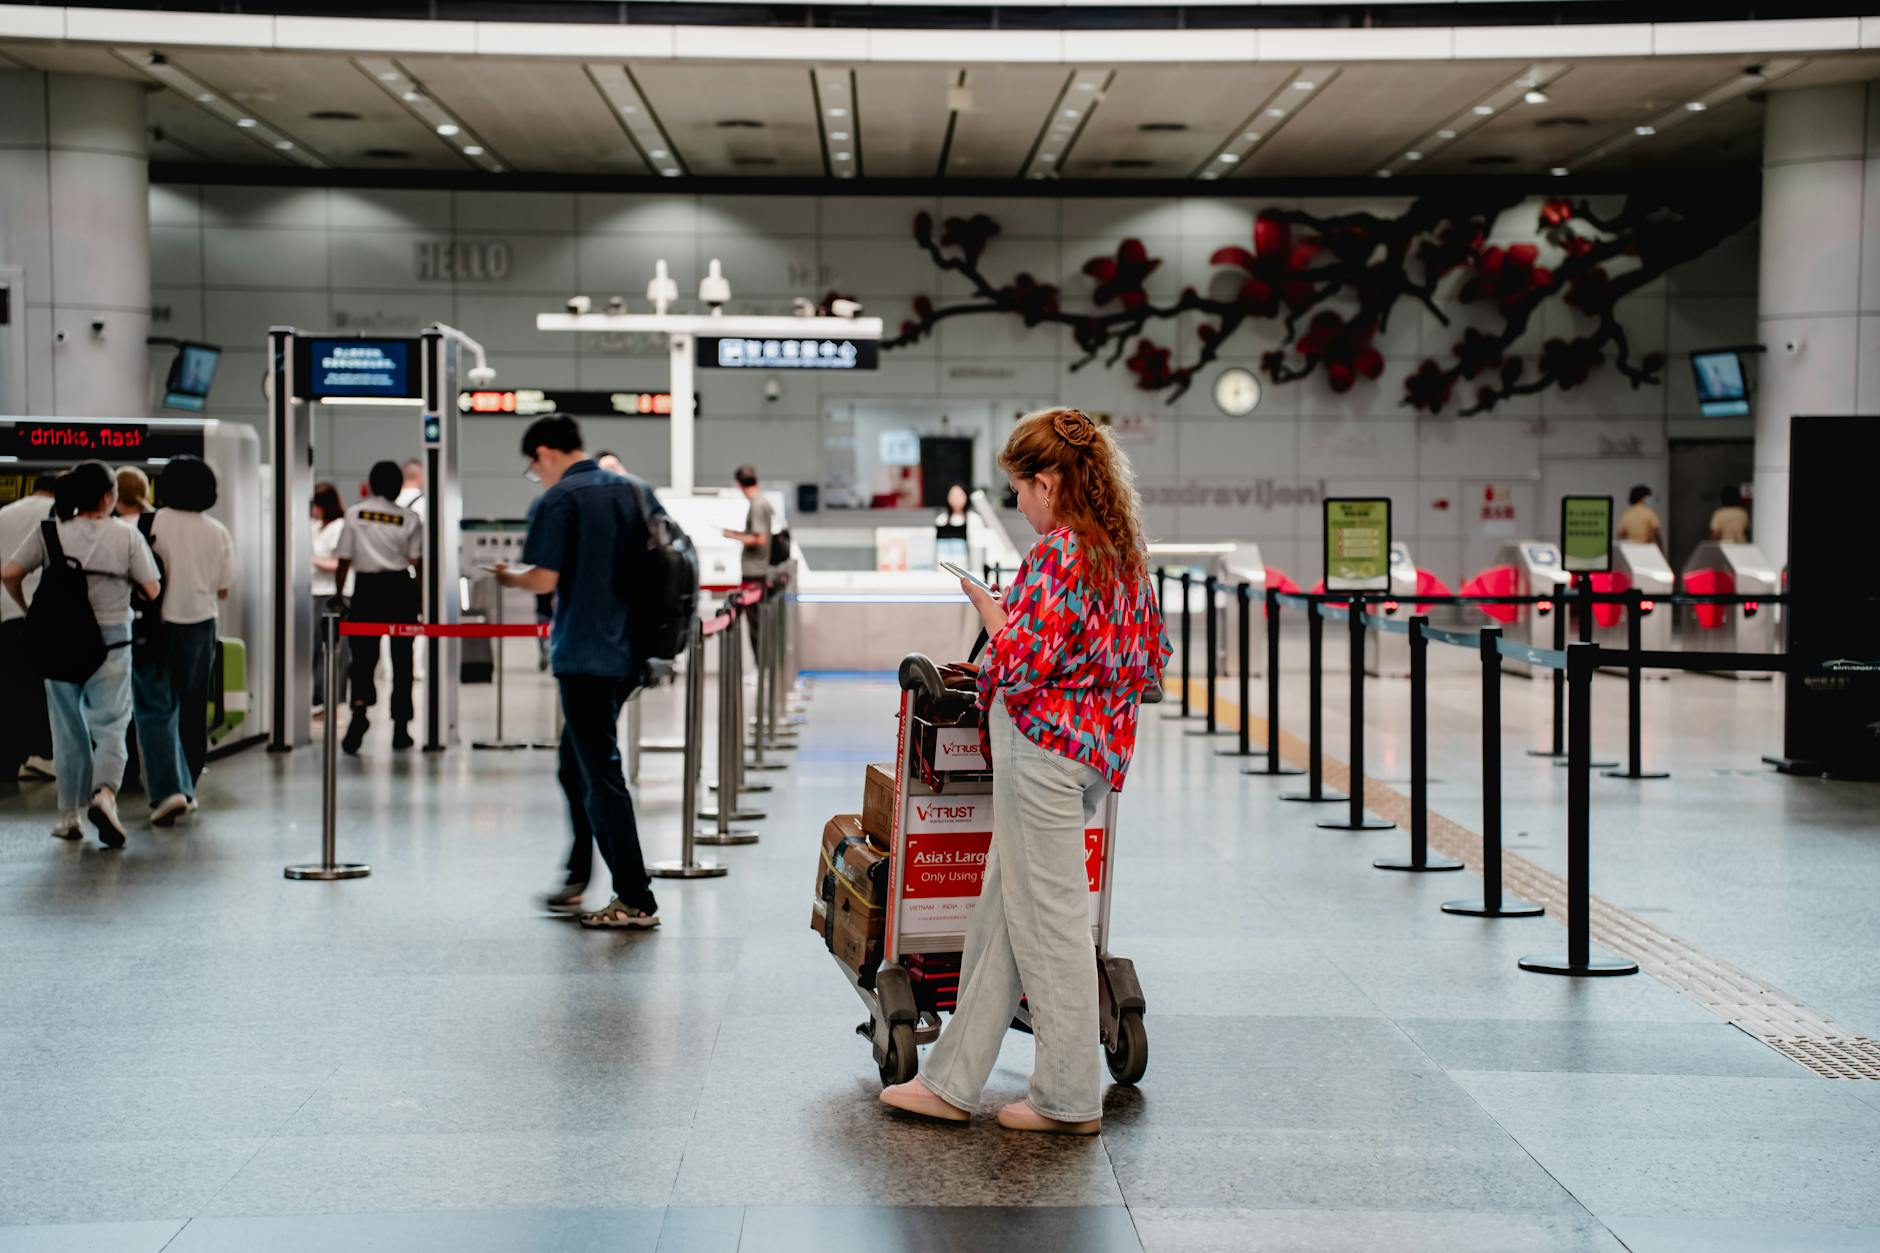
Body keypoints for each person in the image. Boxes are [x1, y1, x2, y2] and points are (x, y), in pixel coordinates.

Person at [881, 407, 1169, 1135]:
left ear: (1049, 481)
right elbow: (1150, 659)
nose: (1018, 502)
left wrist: (995, 613)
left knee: (1050, 926)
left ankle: (1068, 1097)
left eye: (1021, 488)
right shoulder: (1123, 551)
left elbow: (1016, 664)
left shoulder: (1060, 553)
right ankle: (950, 1079)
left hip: (1039, 753)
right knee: (1004, 918)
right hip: (1093, 752)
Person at [493, 415, 660, 930]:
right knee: (575, 765)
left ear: (545, 452)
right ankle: (577, 873)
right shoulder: (635, 491)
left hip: (585, 655)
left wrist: (507, 576)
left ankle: (634, 897)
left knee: (600, 774)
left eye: (533, 467)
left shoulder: (560, 499)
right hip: (630, 652)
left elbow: (544, 577)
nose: (536, 476)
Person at [2, 461, 161, 847]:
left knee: (67, 729)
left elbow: (9, 573)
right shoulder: (126, 536)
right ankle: (105, 795)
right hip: (111, 642)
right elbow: (152, 589)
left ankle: (69, 816)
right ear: (109, 497)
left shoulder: (51, 532)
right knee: (110, 725)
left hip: (58, 641)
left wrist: (27, 610)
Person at [131, 456, 235, 824]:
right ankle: (187, 788)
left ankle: (167, 790)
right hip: (202, 624)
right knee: (192, 709)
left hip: (155, 624)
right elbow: (224, 588)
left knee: (155, 708)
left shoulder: (147, 523)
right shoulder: (217, 530)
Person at [334, 461, 422, 753]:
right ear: (397, 486)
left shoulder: (355, 513)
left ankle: (359, 712)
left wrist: (339, 594)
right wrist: (421, 599)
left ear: (371, 484)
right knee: (403, 661)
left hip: (366, 591)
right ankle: (400, 727)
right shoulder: (408, 518)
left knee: (362, 658)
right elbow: (416, 562)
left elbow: (344, 559)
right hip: (400, 589)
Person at [0, 473, 58, 785]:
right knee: (46, 689)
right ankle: (43, 754)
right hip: (49, 615)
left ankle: (9, 759)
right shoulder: (60, 515)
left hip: (8, 612)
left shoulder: (4, 514)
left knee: (10, 688)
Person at [722, 465, 774, 664]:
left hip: (755, 571)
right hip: (759, 569)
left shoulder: (757, 504)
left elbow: (759, 539)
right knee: (756, 623)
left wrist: (733, 535)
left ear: (739, 484)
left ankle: (761, 667)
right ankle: (762, 666)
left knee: (755, 624)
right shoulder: (762, 503)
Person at [310, 482, 349, 711]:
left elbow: (338, 563)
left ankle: (332, 699)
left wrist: (311, 559)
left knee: (335, 648)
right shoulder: (315, 527)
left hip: (331, 594)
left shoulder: (339, 527)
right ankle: (317, 698)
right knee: (316, 647)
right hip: (314, 592)